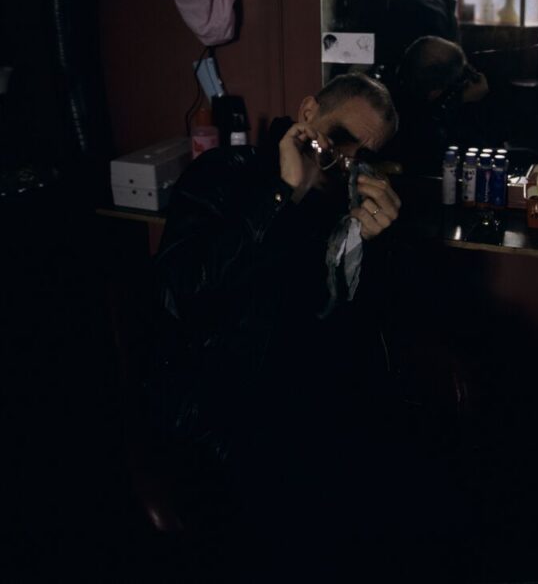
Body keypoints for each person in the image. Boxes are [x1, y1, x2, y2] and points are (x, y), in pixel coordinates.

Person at [146, 74, 470, 578]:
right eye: (339, 138)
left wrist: (376, 243)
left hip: (319, 397)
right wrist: (279, 194)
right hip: (226, 399)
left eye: (363, 153)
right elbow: (181, 293)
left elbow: (367, 323)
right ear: (306, 111)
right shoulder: (224, 174)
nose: (345, 160)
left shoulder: (346, 201)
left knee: (420, 491)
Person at [383, 35, 491, 176]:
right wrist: (465, 105)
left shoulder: (387, 97)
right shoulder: (428, 125)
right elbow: (476, 159)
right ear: (437, 90)